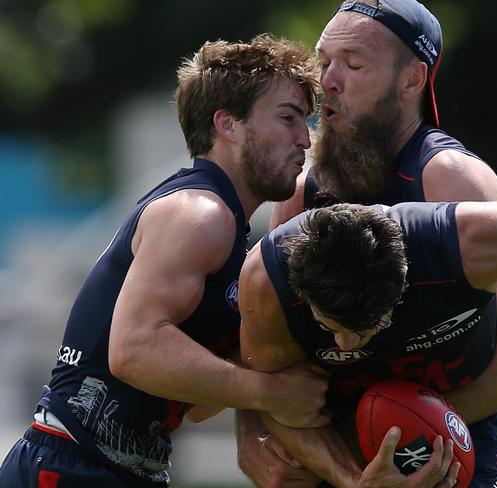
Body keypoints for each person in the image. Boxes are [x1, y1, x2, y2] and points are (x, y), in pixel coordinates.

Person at [237, 1, 497, 487]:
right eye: (324, 61)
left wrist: (424, 422)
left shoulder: (448, 177)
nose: (327, 80)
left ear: (411, 80)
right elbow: (265, 342)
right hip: (433, 456)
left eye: (353, 64)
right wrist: (253, 434)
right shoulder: (304, 196)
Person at [0, 35, 331, 488]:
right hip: (75, 468)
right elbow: (134, 350)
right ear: (228, 124)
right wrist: (272, 393)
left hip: (108, 468)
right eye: (288, 118)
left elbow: (195, 405)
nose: (304, 139)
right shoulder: (200, 214)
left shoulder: (226, 227)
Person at [239, 152, 497, 488]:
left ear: (404, 288)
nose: (344, 346)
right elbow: (274, 398)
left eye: (366, 329)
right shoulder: (267, 282)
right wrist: (357, 482)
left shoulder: (466, 248)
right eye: (330, 328)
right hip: (377, 430)